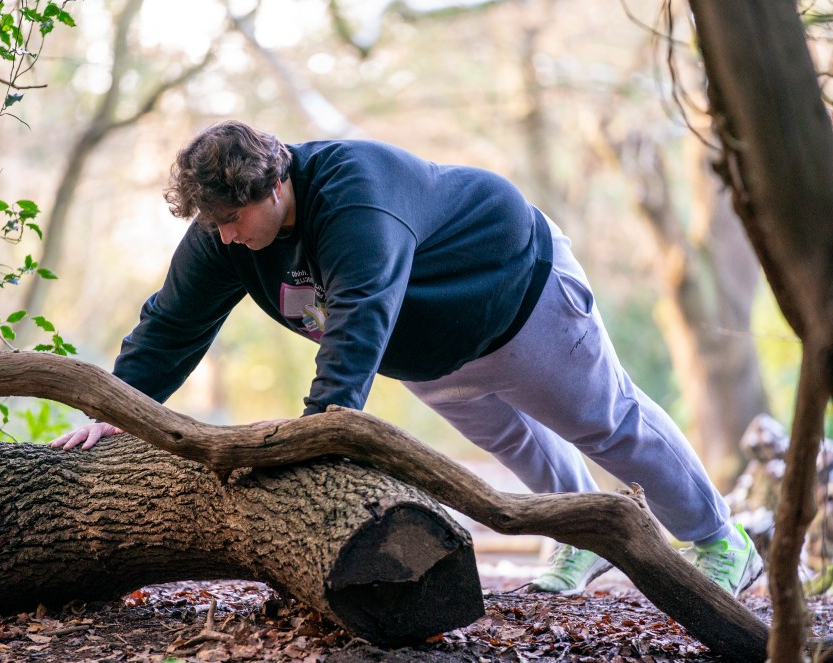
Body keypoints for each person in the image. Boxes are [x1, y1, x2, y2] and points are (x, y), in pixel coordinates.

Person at [50, 120, 763, 597]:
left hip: (516, 299)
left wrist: (321, 429)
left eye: (233, 220)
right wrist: (116, 406)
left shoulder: (356, 193)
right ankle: (580, 535)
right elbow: (172, 320)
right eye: (212, 224)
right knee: (515, 440)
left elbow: (360, 310)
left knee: (606, 423)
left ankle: (718, 537)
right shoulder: (223, 234)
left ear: (274, 185)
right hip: (427, 351)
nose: (225, 236)